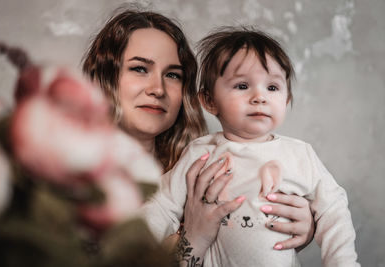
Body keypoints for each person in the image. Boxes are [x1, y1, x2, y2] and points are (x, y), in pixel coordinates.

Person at [81, 8, 315, 264]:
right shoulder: (67, 182)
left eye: (172, 75)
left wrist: (300, 226)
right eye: (139, 69)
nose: (158, 89)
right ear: (104, 76)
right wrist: (192, 236)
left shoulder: (205, 162)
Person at [142, 27, 360, 267]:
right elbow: (162, 206)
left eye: (272, 87)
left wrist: (341, 262)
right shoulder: (201, 152)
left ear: (286, 100)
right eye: (242, 86)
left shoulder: (300, 155)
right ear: (210, 101)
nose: (260, 97)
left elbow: (334, 211)